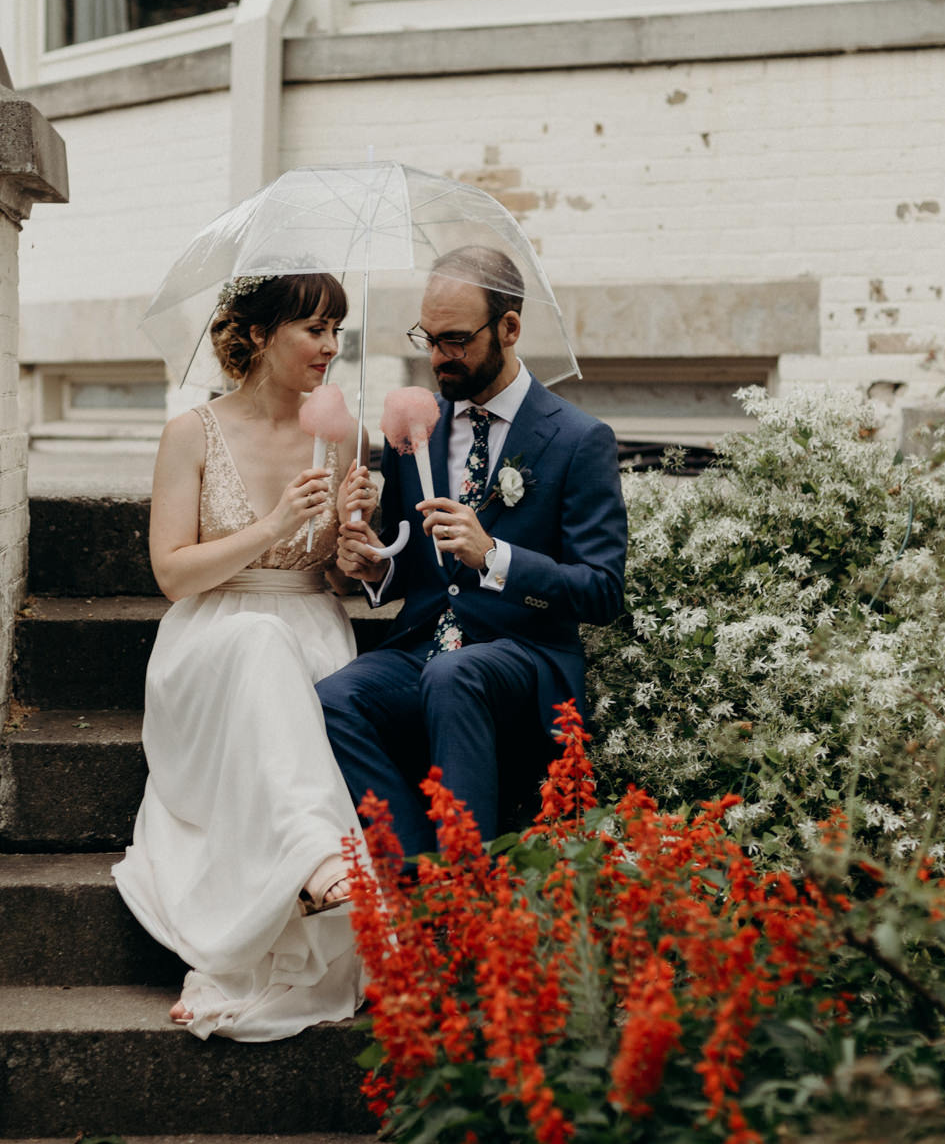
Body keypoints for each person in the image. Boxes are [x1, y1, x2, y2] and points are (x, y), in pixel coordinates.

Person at [111, 272, 364, 1041]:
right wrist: (275, 522)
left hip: (313, 626)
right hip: (212, 638)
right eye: (314, 329)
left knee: (281, 655)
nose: (330, 347)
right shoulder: (191, 432)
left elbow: (347, 575)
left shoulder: (340, 431)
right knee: (260, 643)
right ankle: (320, 860)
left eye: (336, 331)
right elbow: (172, 573)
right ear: (257, 335)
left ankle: (301, 884)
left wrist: (359, 548)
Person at [320, 248, 629, 857]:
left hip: (526, 657)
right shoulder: (414, 428)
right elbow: (415, 568)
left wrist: (494, 556)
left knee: (454, 674)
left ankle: (469, 895)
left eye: (456, 340)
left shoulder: (578, 439)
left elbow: (601, 591)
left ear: (510, 328)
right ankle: (423, 876)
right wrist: (376, 564)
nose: (438, 358)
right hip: (426, 646)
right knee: (332, 698)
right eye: (428, 338)